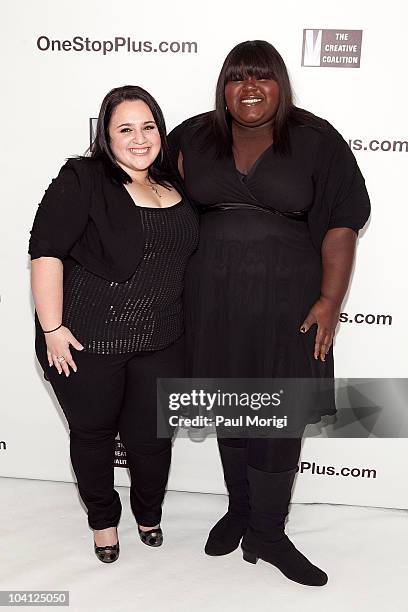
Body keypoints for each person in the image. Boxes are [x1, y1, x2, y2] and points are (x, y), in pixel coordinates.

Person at [168, 40, 370, 586]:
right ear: (222, 86)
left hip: (290, 306)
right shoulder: (192, 135)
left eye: (261, 77)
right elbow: (152, 197)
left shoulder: (315, 138)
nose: (249, 89)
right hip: (211, 303)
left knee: (277, 417)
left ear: (280, 83)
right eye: (237, 78)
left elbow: (341, 224)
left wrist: (330, 301)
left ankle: (269, 532)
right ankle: (240, 512)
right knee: (233, 409)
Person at [29, 85, 199, 563]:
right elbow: (46, 252)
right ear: (106, 135)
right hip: (87, 340)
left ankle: (148, 513)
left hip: (163, 339)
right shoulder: (83, 177)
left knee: (152, 440)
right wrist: (51, 328)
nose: (139, 138)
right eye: (125, 128)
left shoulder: (173, 183)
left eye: (148, 126)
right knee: (94, 437)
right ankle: (104, 521)